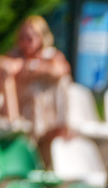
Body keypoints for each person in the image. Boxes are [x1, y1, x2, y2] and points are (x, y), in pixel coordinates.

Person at [6, 15, 70, 165]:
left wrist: (37, 69)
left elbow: (62, 70)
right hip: (24, 111)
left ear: (41, 37)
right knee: (35, 91)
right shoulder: (16, 55)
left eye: (30, 37)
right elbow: (9, 69)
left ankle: (58, 127)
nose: (26, 42)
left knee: (62, 83)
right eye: (23, 37)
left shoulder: (51, 55)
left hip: (48, 115)